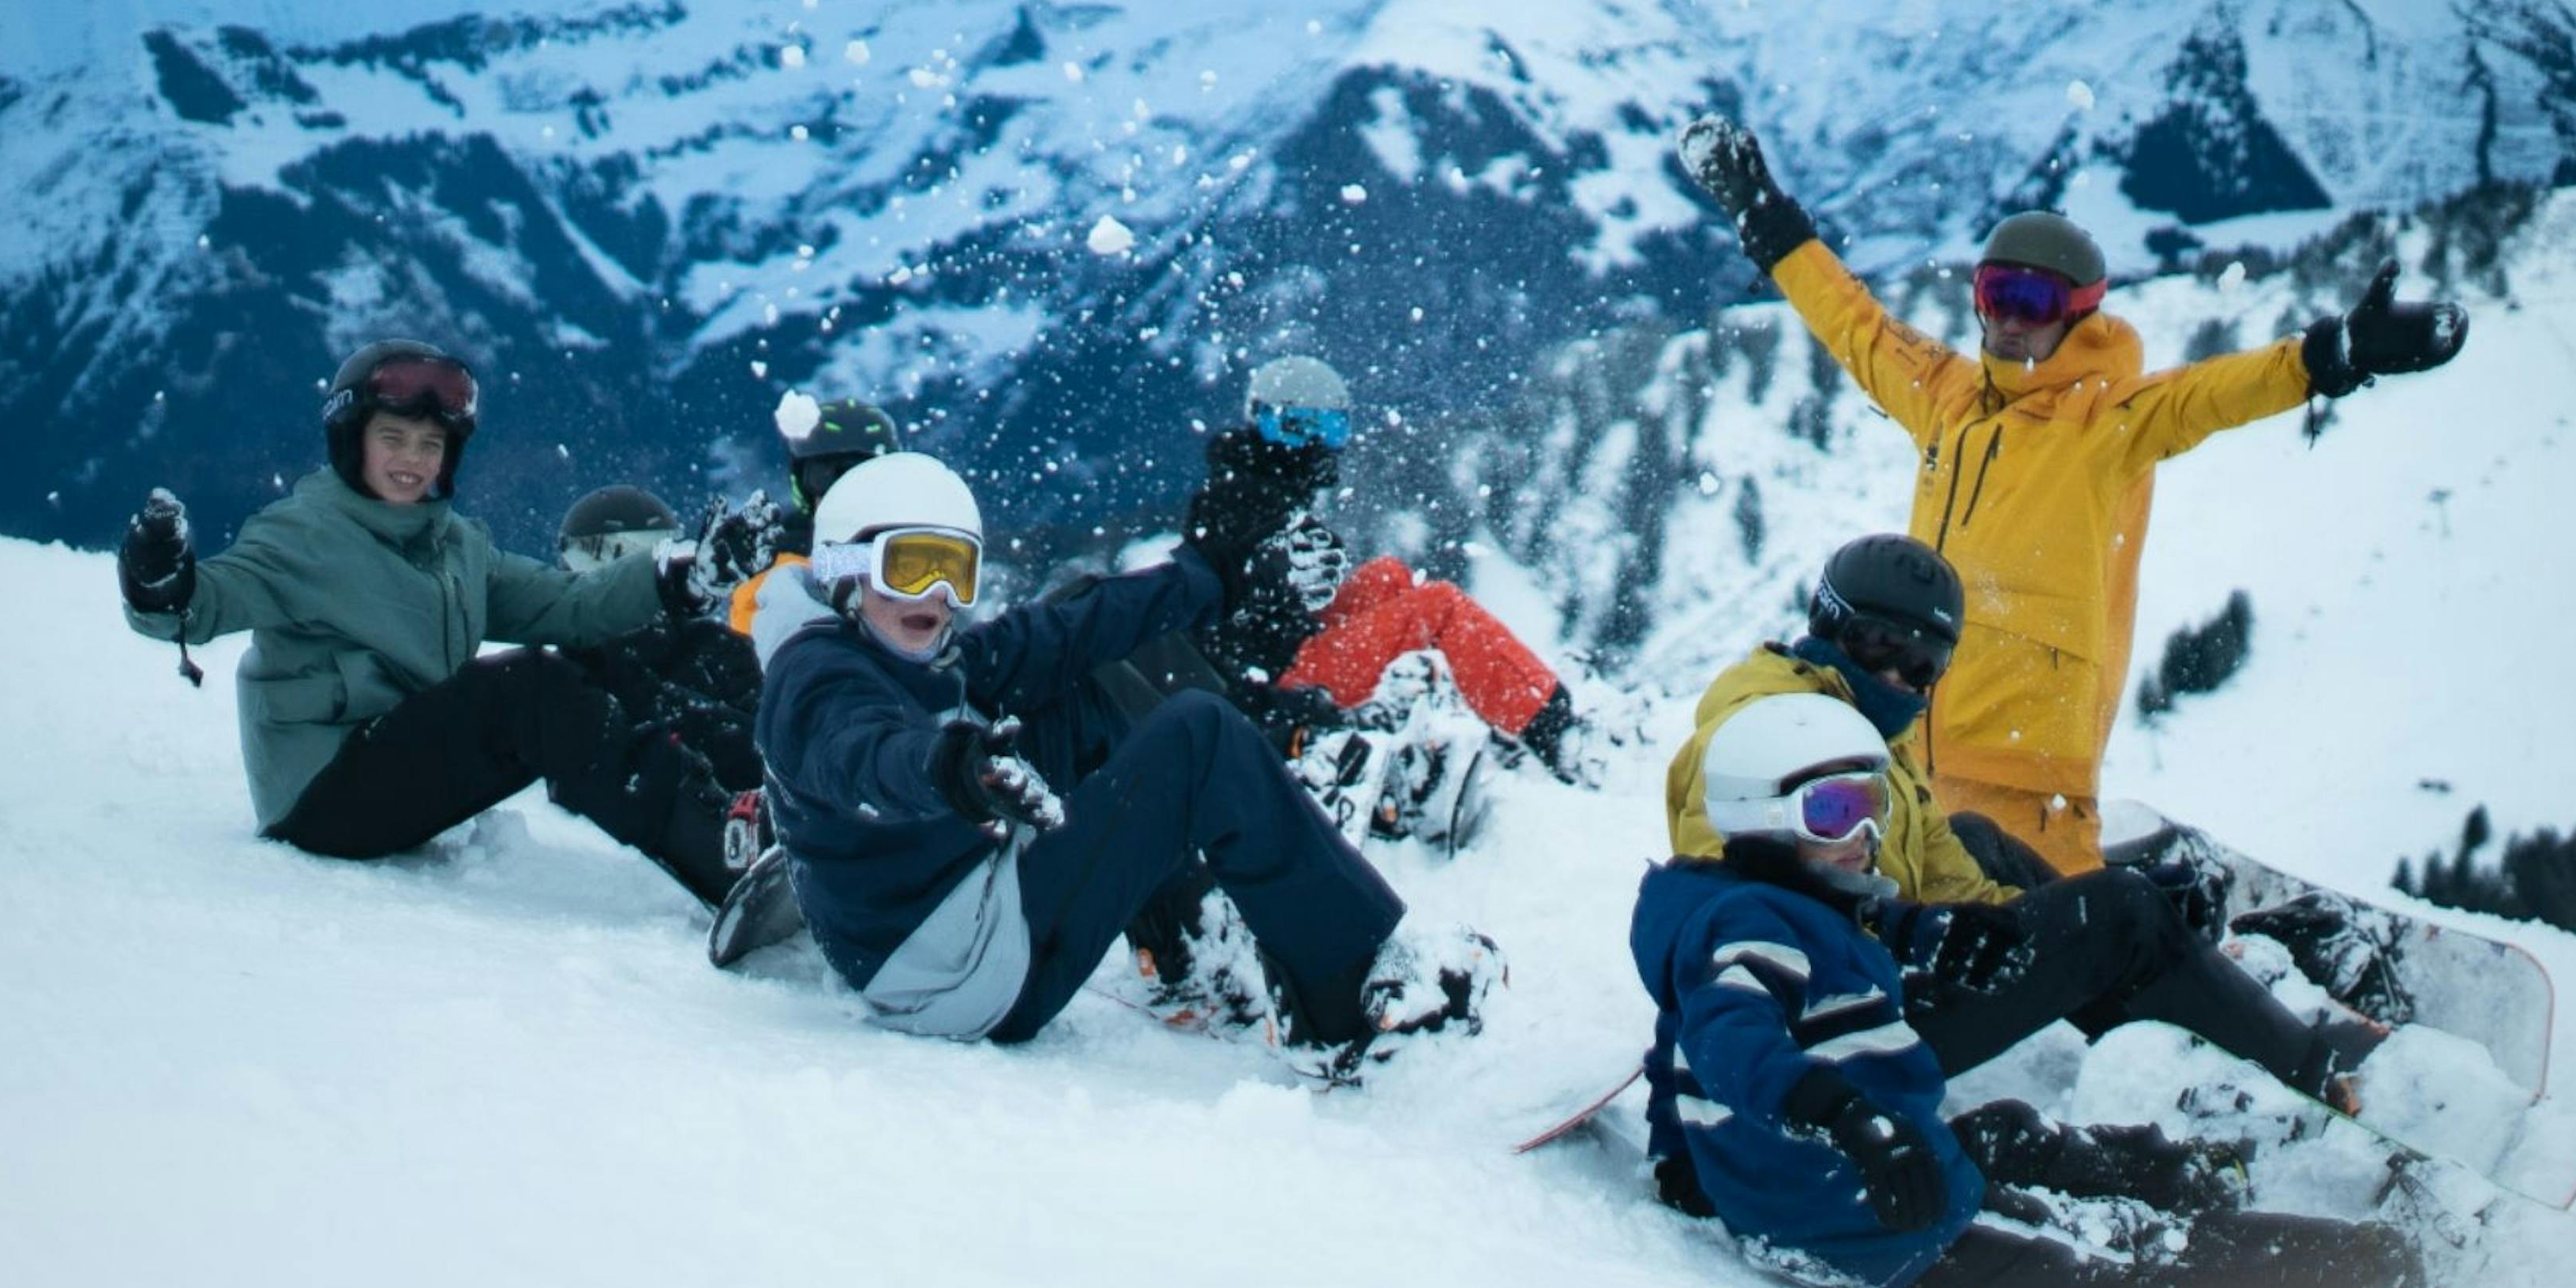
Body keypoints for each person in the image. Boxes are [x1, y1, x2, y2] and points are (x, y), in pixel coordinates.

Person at [1679, 114, 2469, 870]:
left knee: (2058, 945)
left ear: (2081, 317)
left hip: (2030, 766)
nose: (2008, 323)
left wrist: (2338, 353)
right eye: (1995, 297)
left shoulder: (2108, 421)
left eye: (2034, 304)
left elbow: (2218, 392)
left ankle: (2192, 942)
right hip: (1914, 742)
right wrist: (1765, 216)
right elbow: (1856, 324)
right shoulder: (1947, 399)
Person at [1633, 689, 2424, 1288]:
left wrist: (1685, 1165)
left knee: (2009, 1133)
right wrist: (1846, 1118)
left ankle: (2183, 1176)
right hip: (1875, 1224)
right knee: (2132, 1265)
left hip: (1882, 1167)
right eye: (1834, 812)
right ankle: (2378, 1284)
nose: (1867, 836)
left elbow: (1691, 1033)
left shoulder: (1745, 901)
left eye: (1872, 805)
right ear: (1756, 816)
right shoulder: (1745, 934)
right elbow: (1726, 1042)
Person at [736, 448, 1500, 1061]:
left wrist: (1212, 575)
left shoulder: (893, 646)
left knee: (1079, 666)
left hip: (944, 918)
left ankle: (1185, 935)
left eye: (955, 568)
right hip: (956, 970)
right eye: (910, 566)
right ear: (842, 568)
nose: (935, 592)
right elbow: (858, 751)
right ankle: (1356, 996)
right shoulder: (819, 677)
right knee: (1198, 737)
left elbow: (1055, 636)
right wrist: (949, 768)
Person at [1664, 536, 2385, 1111]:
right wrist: (1922, 931)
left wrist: (2042, 928)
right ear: (1830, 626)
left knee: (1984, 841)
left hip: (1875, 964)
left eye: (1924, 664)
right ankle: (2312, 1081)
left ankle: (2179, 1005)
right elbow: (1737, 910)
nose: (1901, 680)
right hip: (1830, 1026)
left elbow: (1943, 859)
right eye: (1884, 648)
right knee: (2120, 911)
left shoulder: (1851, 717)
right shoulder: (1765, 736)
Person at [115, 340, 778, 906]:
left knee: (600, 659)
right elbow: (206, 603)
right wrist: (161, 581)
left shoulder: (454, 544)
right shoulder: (301, 537)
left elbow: (569, 607)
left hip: (398, 762)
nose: (413, 460)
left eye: (431, 444)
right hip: (322, 797)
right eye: (393, 438)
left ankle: (777, 809)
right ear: (354, 443)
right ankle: (717, 853)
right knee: (532, 691)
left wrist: (682, 575)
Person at [1184, 355, 1593, 776]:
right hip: (1283, 676)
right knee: (1442, 607)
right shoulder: (1239, 501)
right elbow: (1238, 595)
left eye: (1329, 427)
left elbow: (1256, 593)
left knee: (1388, 574)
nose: (1316, 442)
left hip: (1282, 647)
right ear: (1266, 427)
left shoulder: (1251, 484)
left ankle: (1485, 704)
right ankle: (1553, 731)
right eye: (1295, 427)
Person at [557, 485, 767, 804]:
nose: (623, 576)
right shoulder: (560, 668)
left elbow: (772, 755)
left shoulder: (720, 652)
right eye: (600, 554)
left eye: (642, 554)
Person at [727, 393, 898, 662]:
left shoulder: (910, 551)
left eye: (864, 477)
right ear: (803, 484)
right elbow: (753, 651)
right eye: (826, 476)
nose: (845, 493)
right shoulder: (775, 565)